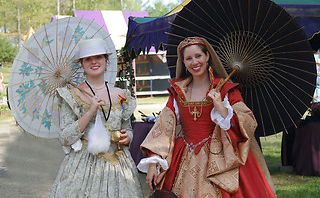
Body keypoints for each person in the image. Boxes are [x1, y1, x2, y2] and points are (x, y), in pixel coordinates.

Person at [137, 37, 276, 198]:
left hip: (220, 158)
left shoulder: (225, 89)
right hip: (184, 157)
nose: (194, 62)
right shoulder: (178, 92)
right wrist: (153, 163)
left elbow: (248, 122)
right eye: (189, 58)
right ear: (183, 62)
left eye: (198, 56)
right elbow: (162, 130)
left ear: (207, 56)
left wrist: (221, 107)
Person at [50, 38, 143, 197]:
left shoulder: (120, 95)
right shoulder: (73, 95)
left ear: (106, 60)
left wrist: (128, 137)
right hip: (84, 165)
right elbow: (65, 137)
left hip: (118, 164)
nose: (94, 62)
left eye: (98, 57)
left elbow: (126, 127)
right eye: (88, 58)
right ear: (82, 64)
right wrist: (89, 112)